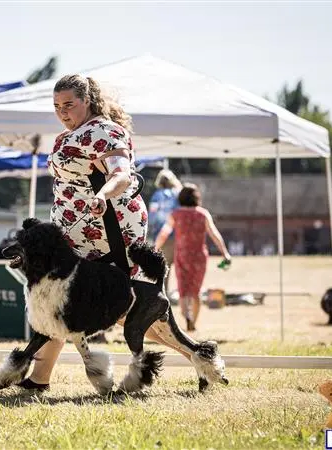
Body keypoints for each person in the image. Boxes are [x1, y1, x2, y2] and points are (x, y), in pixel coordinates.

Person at [17, 74, 200, 391]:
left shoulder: (105, 132)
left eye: (69, 104)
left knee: (119, 309)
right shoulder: (66, 137)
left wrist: (102, 196)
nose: (62, 111)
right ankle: (38, 379)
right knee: (59, 304)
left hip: (105, 232)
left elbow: (122, 175)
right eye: (57, 106)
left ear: (86, 101)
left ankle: (197, 355)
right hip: (72, 235)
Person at [155, 183, 231, 331]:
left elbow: (164, 233)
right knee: (195, 292)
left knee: (183, 291)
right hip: (199, 257)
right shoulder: (203, 214)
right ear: (197, 198)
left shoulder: (175, 214)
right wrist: (225, 253)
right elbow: (214, 234)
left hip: (182, 255)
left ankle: (186, 315)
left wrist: (155, 248)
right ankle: (193, 322)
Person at [148, 169, 182, 302]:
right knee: (179, 266)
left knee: (164, 267)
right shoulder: (176, 195)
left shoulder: (156, 196)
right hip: (177, 235)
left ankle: (164, 293)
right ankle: (180, 293)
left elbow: (152, 217)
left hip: (161, 236)